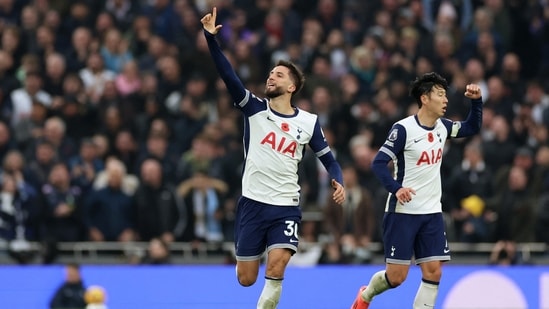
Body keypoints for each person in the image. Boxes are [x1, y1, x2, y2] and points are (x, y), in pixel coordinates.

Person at [201, 8, 346, 309]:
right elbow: (229, 76)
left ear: (291, 87)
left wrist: (338, 180)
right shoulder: (254, 109)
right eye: (270, 73)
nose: (271, 77)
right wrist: (211, 40)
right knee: (246, 278)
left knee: (276, 266)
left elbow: (328, 159)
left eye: (278, 75)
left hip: (285, 205)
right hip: (252, 203)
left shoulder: (308, 122)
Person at [350, 72, 483, 309]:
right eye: (440, 95)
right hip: (402, 213)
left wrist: (476, 101)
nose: (446, 100)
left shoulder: (443, 127)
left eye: (445, 95)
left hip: (431, 213)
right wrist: (396, 188)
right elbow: (378, 163)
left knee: (434, 272)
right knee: (396, 277)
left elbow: (471, 127)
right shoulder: (403, 129)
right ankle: (366, 294)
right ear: (424, 98)